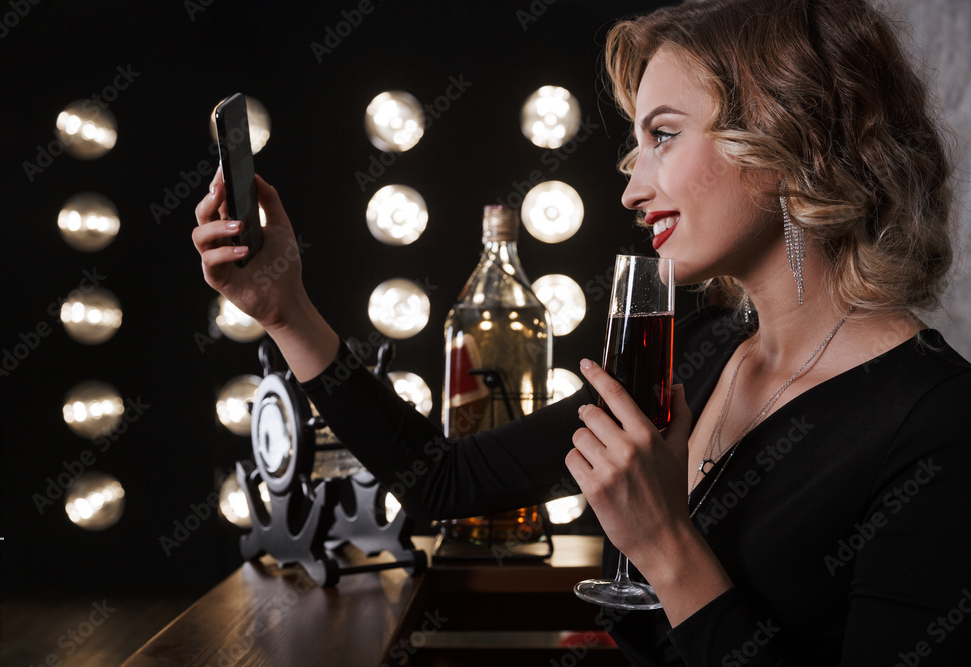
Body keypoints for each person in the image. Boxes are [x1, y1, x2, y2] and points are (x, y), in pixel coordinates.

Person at [193, 0, 971, 663]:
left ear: (792, 138)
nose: (632, 186)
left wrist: (666, 545)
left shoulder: (937, 423)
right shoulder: (700, 348)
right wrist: (284, 307)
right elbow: (442, 480)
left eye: (663, 136)